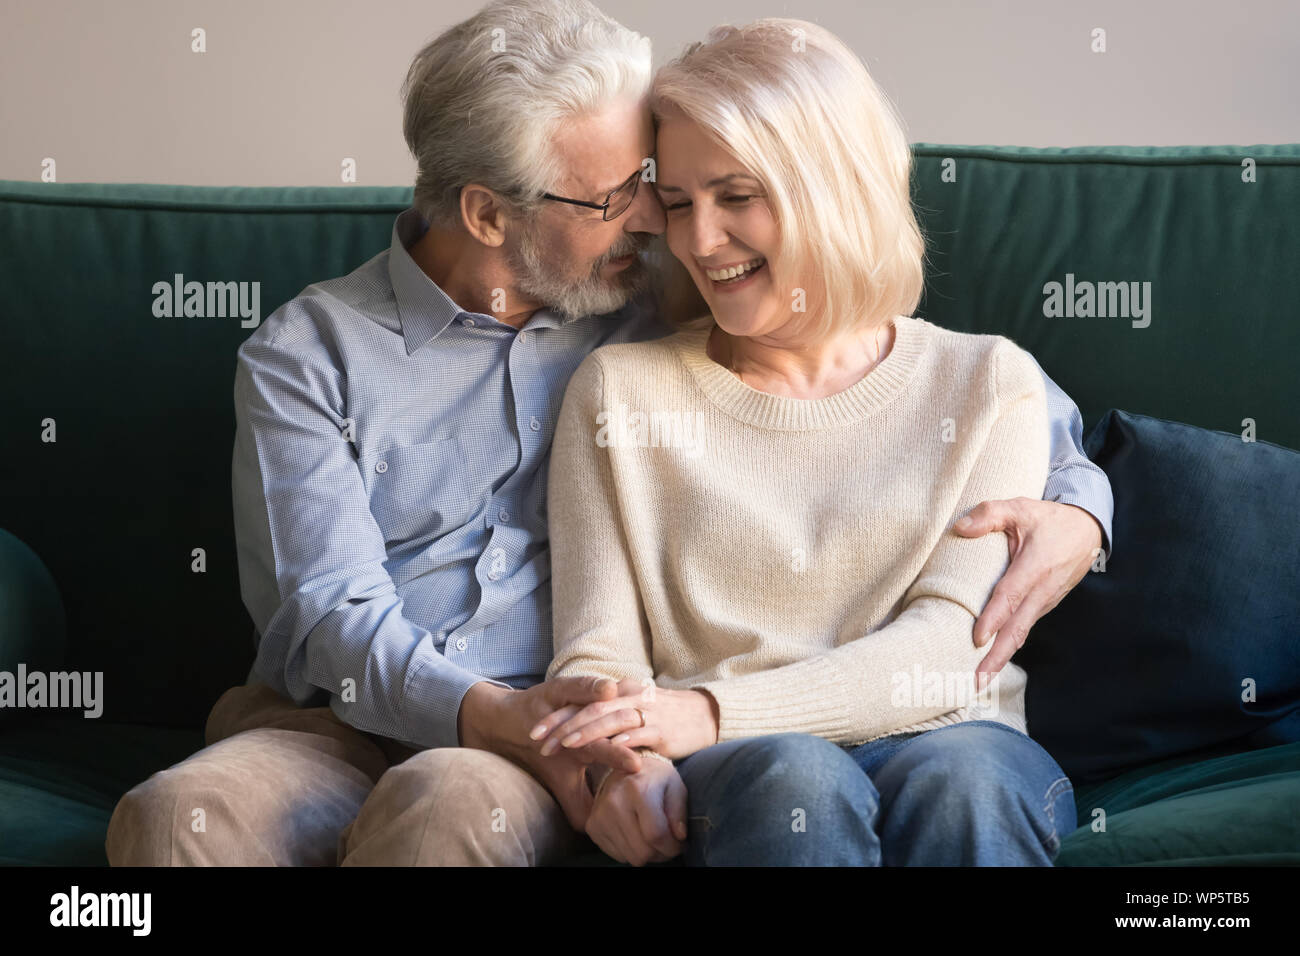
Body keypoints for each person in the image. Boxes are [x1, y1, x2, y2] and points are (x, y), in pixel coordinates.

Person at [105, 0, 1110, 867]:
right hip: (350, 718)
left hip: (554, 727)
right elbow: (327, 613)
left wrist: (1081, 505)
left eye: (651, 183)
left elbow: (921, 374)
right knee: (169, 820)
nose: (657, 221)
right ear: (488, 216)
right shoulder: (309, 354)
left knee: (451, 805)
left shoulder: (670, 280)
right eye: (622, 196)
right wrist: (533, 721)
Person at [533, 18, 1084, 866]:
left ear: (833, 186)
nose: (699, 241)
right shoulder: (620, 392)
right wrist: (624, 763)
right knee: (797, 779)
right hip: (744, 773)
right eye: (678, 205)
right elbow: (599, 652)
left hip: (948, 739)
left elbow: (951, 651)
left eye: (737, 197)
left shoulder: (988, 385)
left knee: (963, 782)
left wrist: (710, 712)